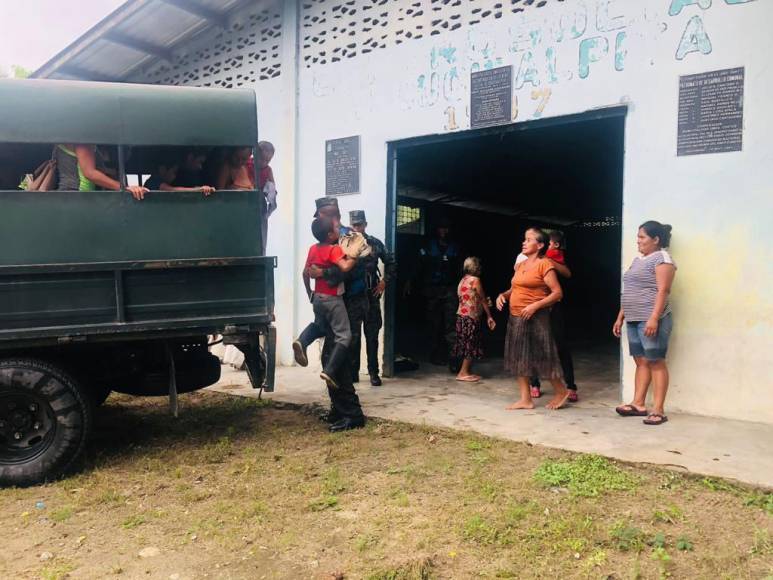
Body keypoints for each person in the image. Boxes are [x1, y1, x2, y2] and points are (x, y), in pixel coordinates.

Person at [307, 197, 367, 432]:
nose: (316, 219)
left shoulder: (349, 237)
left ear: (330, 215)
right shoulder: (330, 236)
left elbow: (351, 270)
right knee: (329, 359)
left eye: (319, 215)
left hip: (349, 303)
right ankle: (339, 409)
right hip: (333, 304)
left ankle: (353, 415)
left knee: (338, 360)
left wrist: (321, 272)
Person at [496, 227, 569, 410]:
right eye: (524, 239)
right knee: (518, 357)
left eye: (529, 240)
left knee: (543, 355)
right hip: (516, 316)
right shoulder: (521, 265)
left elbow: (557, 293)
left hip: (536, 317)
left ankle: (561, 391)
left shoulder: (545, 264)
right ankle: (525, 399)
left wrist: (535, 305)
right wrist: (503, 296)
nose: (524, 242)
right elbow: (514, 289)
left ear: (540, 245)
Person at [613, 221, 676, 426]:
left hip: (651, 319)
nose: (637, 241)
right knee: (641, 361)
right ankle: (638, 404)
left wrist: (654, 318)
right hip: (633, 318)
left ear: (656, 240)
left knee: (656, 361)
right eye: (638, 237)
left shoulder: (663, 258)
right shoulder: (638, 260)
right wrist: (621, 316)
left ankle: (658, 410)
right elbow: (630, 290)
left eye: (642, 237)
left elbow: (663, 290)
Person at [293, 217, 357, 389]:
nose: (339, 229)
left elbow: (305, 273)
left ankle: (302, 341)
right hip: (332, 299)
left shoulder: (313, 249)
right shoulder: (333, 249)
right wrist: (354, 255)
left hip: (318, 297)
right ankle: (330, 370)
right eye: (336, 227)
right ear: (330, 234)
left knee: (320, 325)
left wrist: (309, 293)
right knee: (344, 335)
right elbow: (344, 267)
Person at [406, 215, 463, 371]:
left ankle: (454, 361)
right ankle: (436, 355)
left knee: (451, 325)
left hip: (450, 290)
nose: (443, 231)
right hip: (432, 290)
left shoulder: (455, 247)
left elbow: (460, 270)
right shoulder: (428, 246)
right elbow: (418, 266)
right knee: (434, 325)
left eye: (446, 228)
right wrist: (410, 281)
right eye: (441, 228)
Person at [527, 230, 578, 401]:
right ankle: (534, 383)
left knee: (560, 346)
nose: (525, 243)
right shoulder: (526, 259)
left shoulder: (552, 258)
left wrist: (547, 261)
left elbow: (567, 273)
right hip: (534, 308)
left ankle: (570, 386)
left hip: (553, 307)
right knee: (535, 347)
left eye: (529, 239)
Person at [349, 210, 396, 386]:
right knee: (353, 337)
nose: (357, 228)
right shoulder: (345, 244)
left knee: (372, 336)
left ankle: (373, 373)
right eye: (354, 225)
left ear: (365, 224)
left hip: (371, 296)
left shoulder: (374, 243)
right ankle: (353, 372)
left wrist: (384, 281)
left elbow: (390, 261)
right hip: (353, 297)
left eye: (360, 224)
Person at [452, 257, 496, 382]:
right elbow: (482, 299)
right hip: (471, 317)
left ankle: (464, 371)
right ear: (476, 267)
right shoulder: (475, 280)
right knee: (470, 344)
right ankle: (463, 373)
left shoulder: (463, 280)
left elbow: (470, 298)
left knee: (465, 344)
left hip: (461, 316)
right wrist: (489, 316)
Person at [55, 144, 147, 200]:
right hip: (79, 195)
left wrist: (111, 172)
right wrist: (124, 188)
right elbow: (89, 173)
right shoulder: (83, 140)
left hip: (69, 195)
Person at [143, 152, 216, 195]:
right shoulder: (154, 180)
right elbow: (170, 190)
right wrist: (198, 190)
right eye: (174, 172)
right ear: (163, 169)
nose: (175, 176)